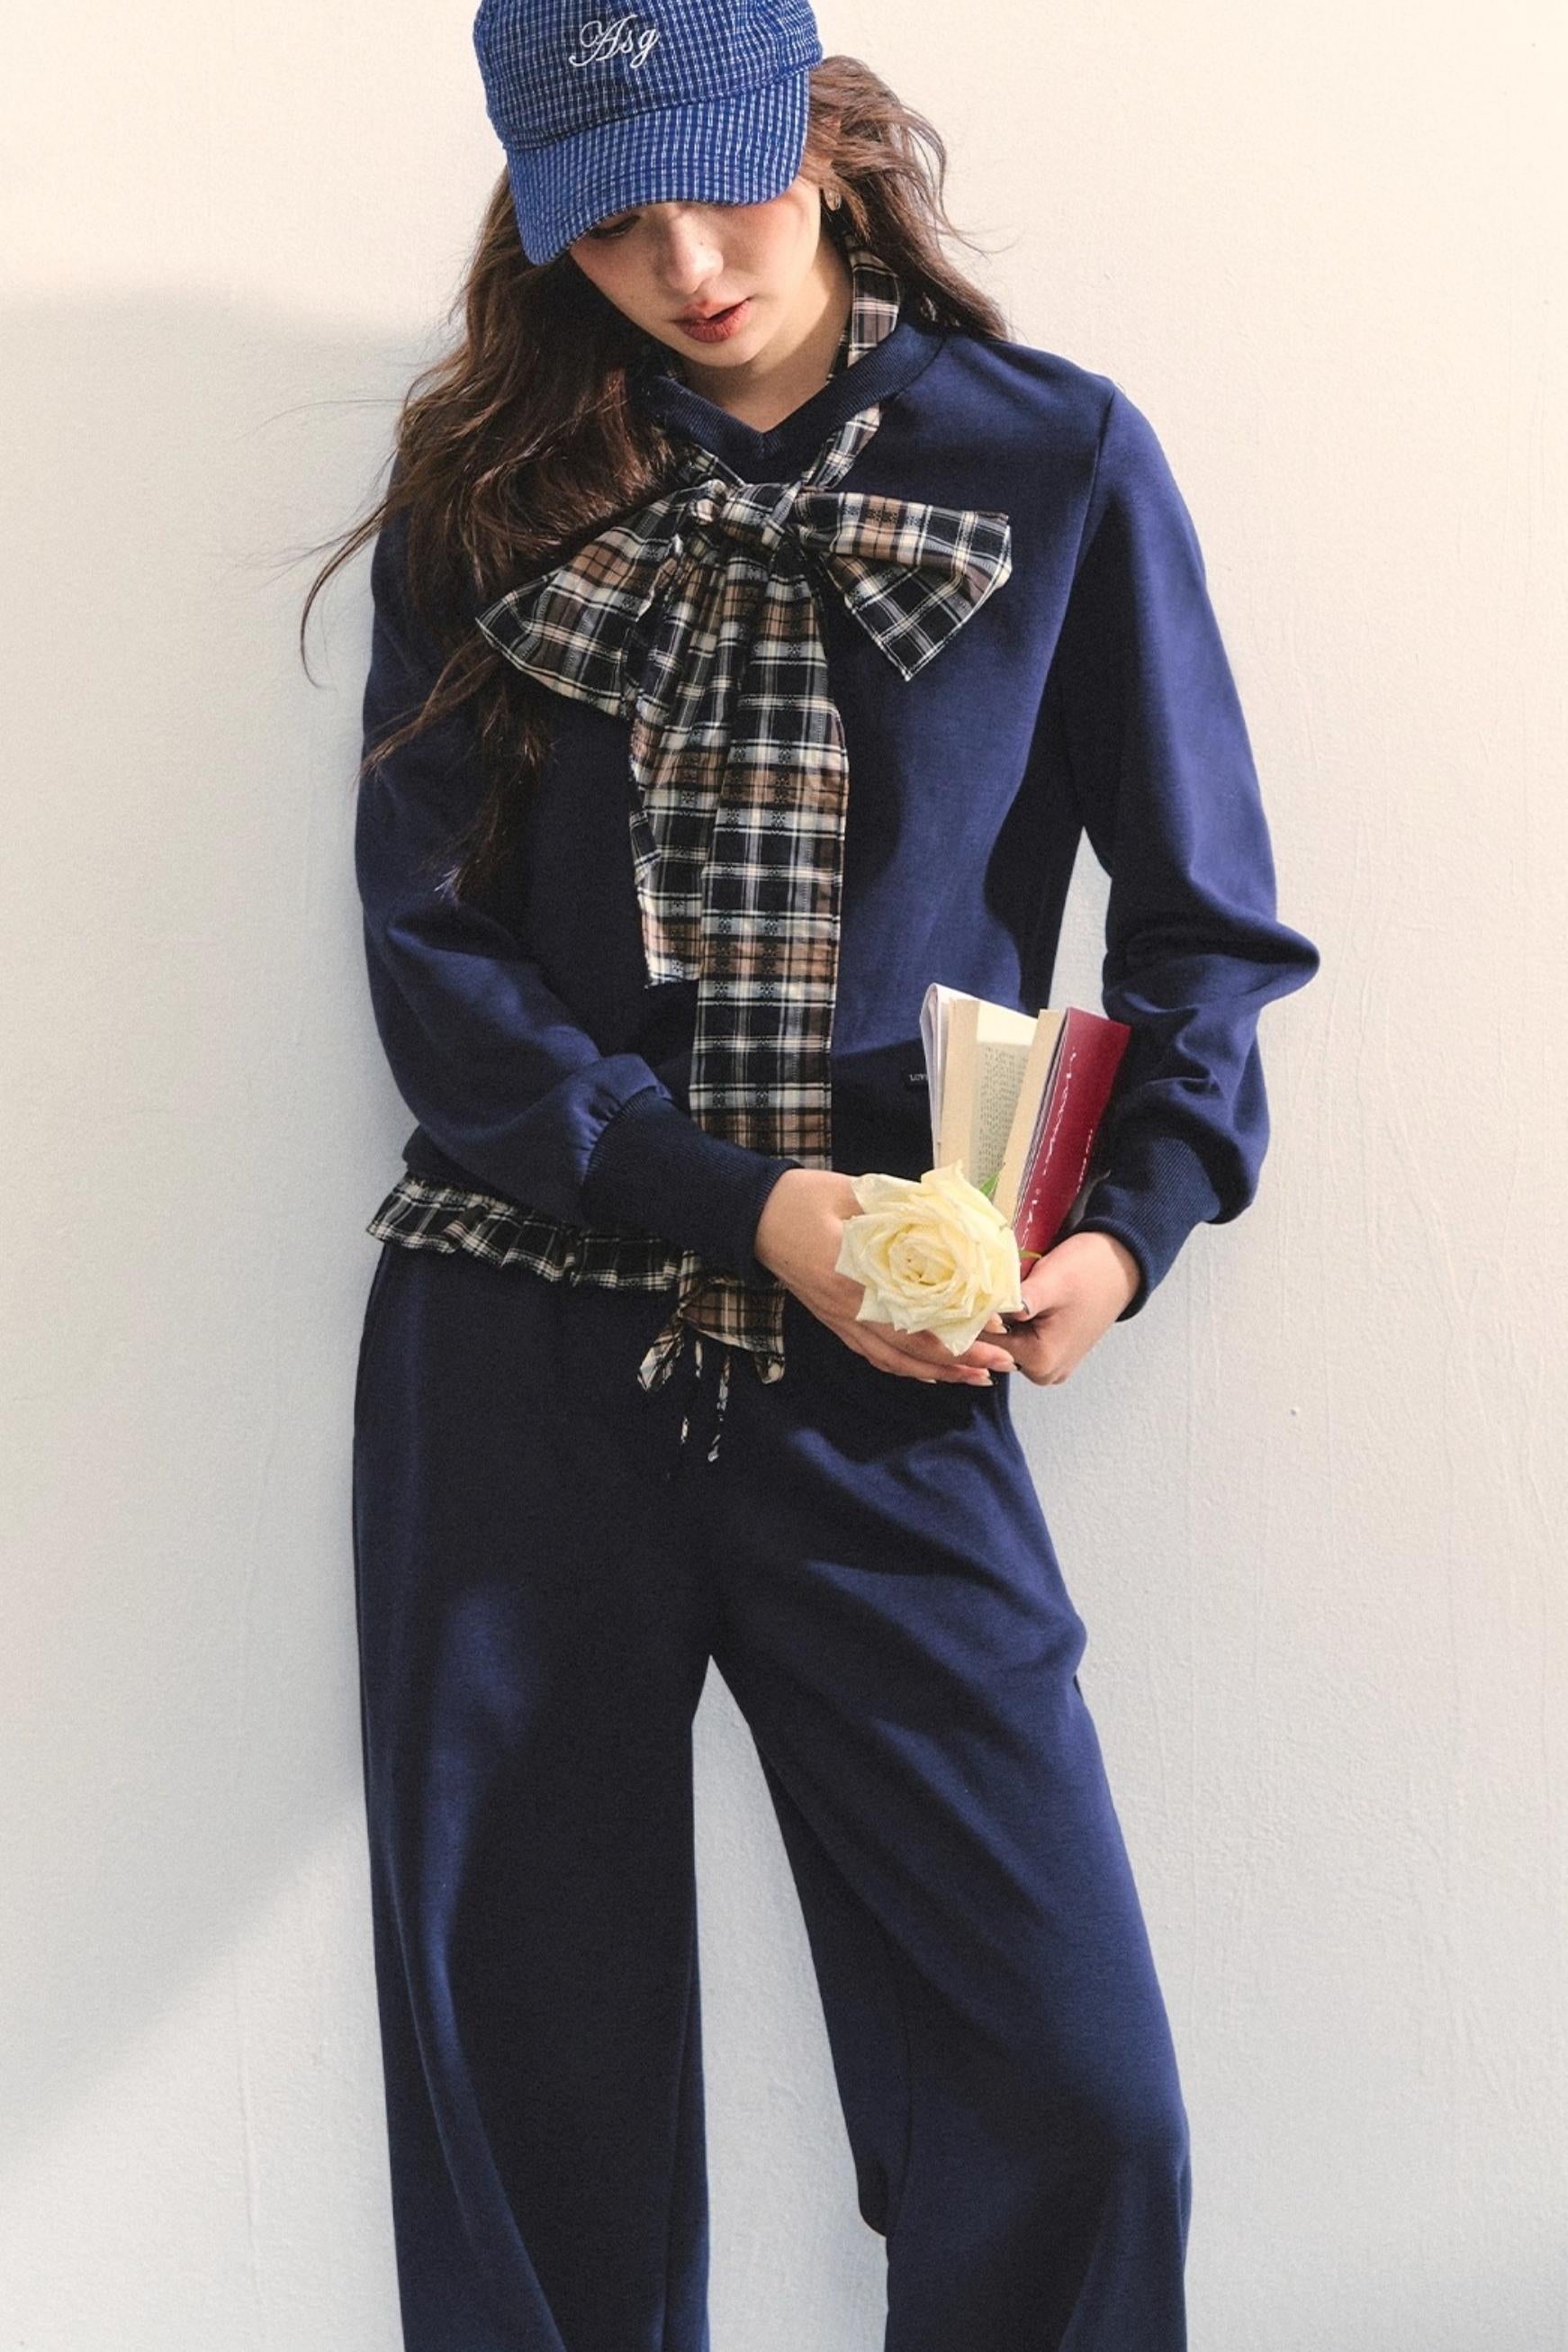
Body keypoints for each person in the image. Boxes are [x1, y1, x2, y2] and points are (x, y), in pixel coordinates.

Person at [310, 2, 1321, 2344]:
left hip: (896, 1356)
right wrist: (729, 1198)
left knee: (1074, 2099)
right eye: (613, 225)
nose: (689, 268)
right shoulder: (489, 485)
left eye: (726, 191)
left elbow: (1205, 933)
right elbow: (436, 969)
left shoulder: (1052, 460)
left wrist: (1124, 1237)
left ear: (827, 139)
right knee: (533, 2105)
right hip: (521, 1348)